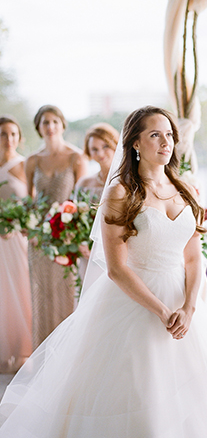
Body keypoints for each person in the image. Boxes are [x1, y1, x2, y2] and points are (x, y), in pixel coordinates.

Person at [0, 106, 207, 438]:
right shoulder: (120, 193)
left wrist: (189, 308)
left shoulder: (185, 190)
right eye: (155, 135)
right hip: (135, 303)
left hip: (184, 304)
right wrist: (163, 311)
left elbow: (193, 260)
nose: (165, 142)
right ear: (135, 143)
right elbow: (117, 269)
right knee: (137, 392)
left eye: (169, 135)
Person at [25, 105, 87, 349]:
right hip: (39, 239)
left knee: (66, 292)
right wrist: (27, 226)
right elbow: (31, 201)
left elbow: (81, 199)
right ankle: (42, 353)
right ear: (39, 128)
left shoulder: (76, 157)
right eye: (44, 123)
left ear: (62, 124)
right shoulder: (32, 160)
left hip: (67, 236)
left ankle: (68, 352)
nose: (50, 127)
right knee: (41, 295)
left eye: (54, 122)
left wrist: (74, 232)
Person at [0, 116, 32, 373]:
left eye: (13, 134)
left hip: (17, 240)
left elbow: (35, 203)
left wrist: (20, 224)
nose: (8, 139)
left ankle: (22, 349)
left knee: (21, 291)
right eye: (2, 134)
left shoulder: (24, 164)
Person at [75, 122, 119, 284]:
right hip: (89, 252)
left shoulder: (127, 181)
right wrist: (80, 242)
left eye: (105, 146)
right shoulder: (84, 183)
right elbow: (76, 219)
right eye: (94, 149)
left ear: (115, 145)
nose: (100, 153)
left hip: (118, 251)